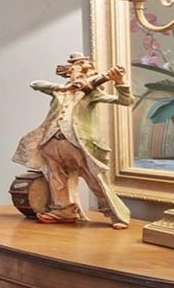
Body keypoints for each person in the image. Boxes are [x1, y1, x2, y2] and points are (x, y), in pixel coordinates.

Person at [13, 54, 134, 227]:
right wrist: (64, 88)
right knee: (56, 178)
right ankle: (63, 211)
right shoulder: (59, 90)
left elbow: (126, 100)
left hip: (79, 143)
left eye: (86, 66)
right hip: (51, 141)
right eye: (79, 65)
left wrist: (120, 82)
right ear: (70, 70)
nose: (83, 69)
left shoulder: (92, 93)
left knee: (95, 181)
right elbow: (35, 84)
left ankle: (118, 215)